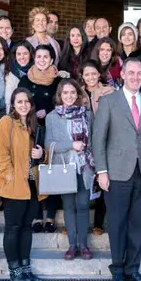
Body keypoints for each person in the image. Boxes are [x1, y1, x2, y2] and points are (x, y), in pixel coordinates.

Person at [93, 58, 141, 281]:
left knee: (138, 223)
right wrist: (101, 171)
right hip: (116, 173)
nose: (135, 77)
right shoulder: (109, 101)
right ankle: (118, 269)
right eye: (131, 73)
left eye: (139, 73)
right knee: (118, 222)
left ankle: (133, 269)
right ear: (122, 74)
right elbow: (98, 139)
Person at [0, 88, 45, 281]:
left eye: (26, 101)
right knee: (13, 228)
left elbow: (38, 152)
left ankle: (25, 268)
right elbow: (0, 156)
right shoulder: (6, 123)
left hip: (31, 185)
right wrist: (11, 176)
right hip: (13, 185)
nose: (23, 105)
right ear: (13, 104)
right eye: (19, 102)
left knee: (26, 228)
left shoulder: (32, 124)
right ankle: (14, 271)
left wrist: (42, 154)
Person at [45, 79, 95, 261]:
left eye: (72, 92)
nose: (69, 96)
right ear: (60, 95)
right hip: (64, 167)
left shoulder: (87, 115)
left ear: (78, 94)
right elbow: (49, 144)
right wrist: (71, 144)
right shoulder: (52, 117)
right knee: (68, 206)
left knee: (82, 205)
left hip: (85, 166)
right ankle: (72, 245)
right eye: (65, 93)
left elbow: (94, 139)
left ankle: (84, 245)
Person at [17, 44, 61, 233]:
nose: (42, 60)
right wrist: (34, 113)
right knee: (34, 173)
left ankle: (50, 215)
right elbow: (18, 103)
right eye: (39, 56)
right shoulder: (25, 81)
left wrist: (48, 112)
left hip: (53, 131)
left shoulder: (59, 81)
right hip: (32, 131)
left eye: (46, 57)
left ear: (52, 59)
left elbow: (64, 102)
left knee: (51, 170)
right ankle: (36, 215)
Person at [79, 60, 115, 236]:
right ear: (82, 76)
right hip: (83, 142)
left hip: (105, 140)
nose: (91, 77)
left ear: (99, 75)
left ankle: (98, 223)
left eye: (94, 73)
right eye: (87, 74)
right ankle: (79, 223)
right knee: (84, 183)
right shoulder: (77, 93)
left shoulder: (109, 91)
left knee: (103, 179)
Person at [5, 42, 34, 113]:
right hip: (16, 112)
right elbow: (8, 99)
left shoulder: (36, 70)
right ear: (15, 55)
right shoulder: (10, 72)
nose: (22, 57)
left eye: (25, 53)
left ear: (30, 55)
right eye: (19, 54)